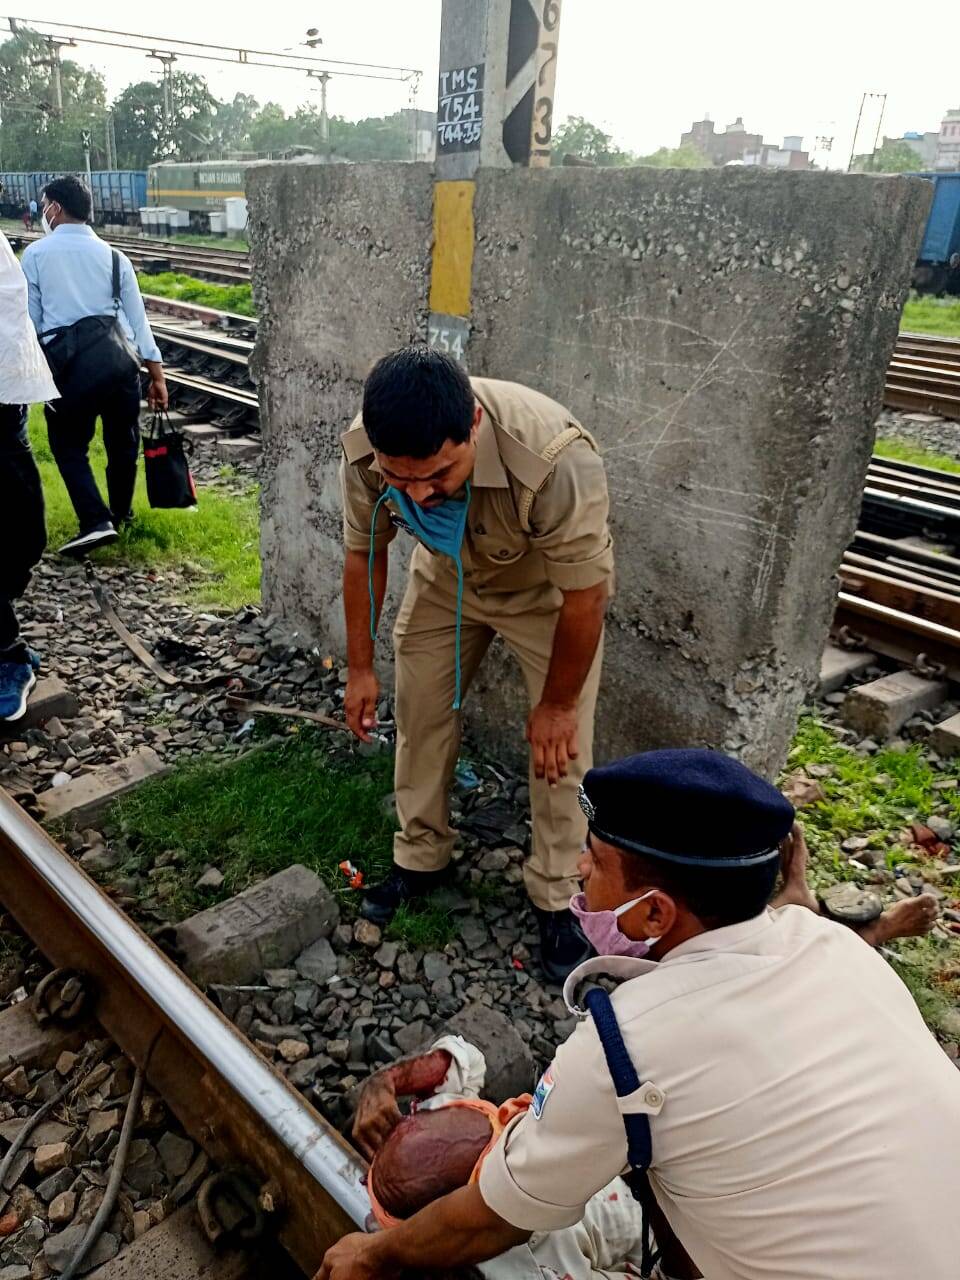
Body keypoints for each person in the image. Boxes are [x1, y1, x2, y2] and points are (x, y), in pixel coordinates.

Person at [318, 748, 960, 1280]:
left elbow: (495, 1217)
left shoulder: (625, 1045)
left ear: (654, 913)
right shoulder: (834, 946)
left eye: (594, 860)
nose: (579, 869)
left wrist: (373, 1256)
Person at [341, 347, 613, 981]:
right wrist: (360, 667)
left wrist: (556, 705)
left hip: (545, 596)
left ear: (474, 426)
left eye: (439, 474)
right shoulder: (367, 447)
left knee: (561, 748)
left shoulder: (554, 459)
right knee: (421, 714)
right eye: (400, 479)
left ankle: (557, 895)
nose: (419, 494)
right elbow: (364, 554)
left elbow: (587, 597)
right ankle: (420, 856)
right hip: (445, 580)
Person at [354, 1032, 651, 1280]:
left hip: (628, 1187)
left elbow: (467, 1058)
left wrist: (388, 1081)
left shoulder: (440, 1117)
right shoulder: (535, 1267)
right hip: (643, 1241)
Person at [21, 175, 168, 557]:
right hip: (119, 366)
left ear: (55, 208)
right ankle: (120, 514)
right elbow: (139, 324)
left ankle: (95, 521)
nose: (43, 212)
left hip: (69, 372)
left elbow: (32, 323)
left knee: (68, 446)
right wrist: (157, 377)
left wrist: (35, 376)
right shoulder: (116, 258)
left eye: (44, 206)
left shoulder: (36, 255)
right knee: (123, 443)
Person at [0, 230, 56, 720]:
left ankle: (8, 657)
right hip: (10, 390)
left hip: (4, 395)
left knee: (22, 527)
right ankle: (8, 652)